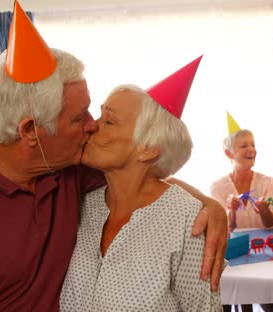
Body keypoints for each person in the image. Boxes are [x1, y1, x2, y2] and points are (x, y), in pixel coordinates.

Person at [0, 4, 227, 310]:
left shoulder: (69, 169)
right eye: (79, 117)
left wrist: (209, 206)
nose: (91, 126)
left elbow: (142, 180)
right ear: (30, 130)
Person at [61, 57, 222, 310]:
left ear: (147, 150)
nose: (91, 126)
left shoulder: (186, 220)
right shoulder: (81, 205)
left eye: (109, 121)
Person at [209, 113, 273, 312]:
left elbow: (271, 224)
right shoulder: (218, 187)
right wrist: (230, 213)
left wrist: (265, 212)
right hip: (233, 257)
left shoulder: (269, 183)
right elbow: (223, 230)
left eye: (253, 144)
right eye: (244, 146)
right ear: (228, 154)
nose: (251, 150)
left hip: (264, 253)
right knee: (220, 294)